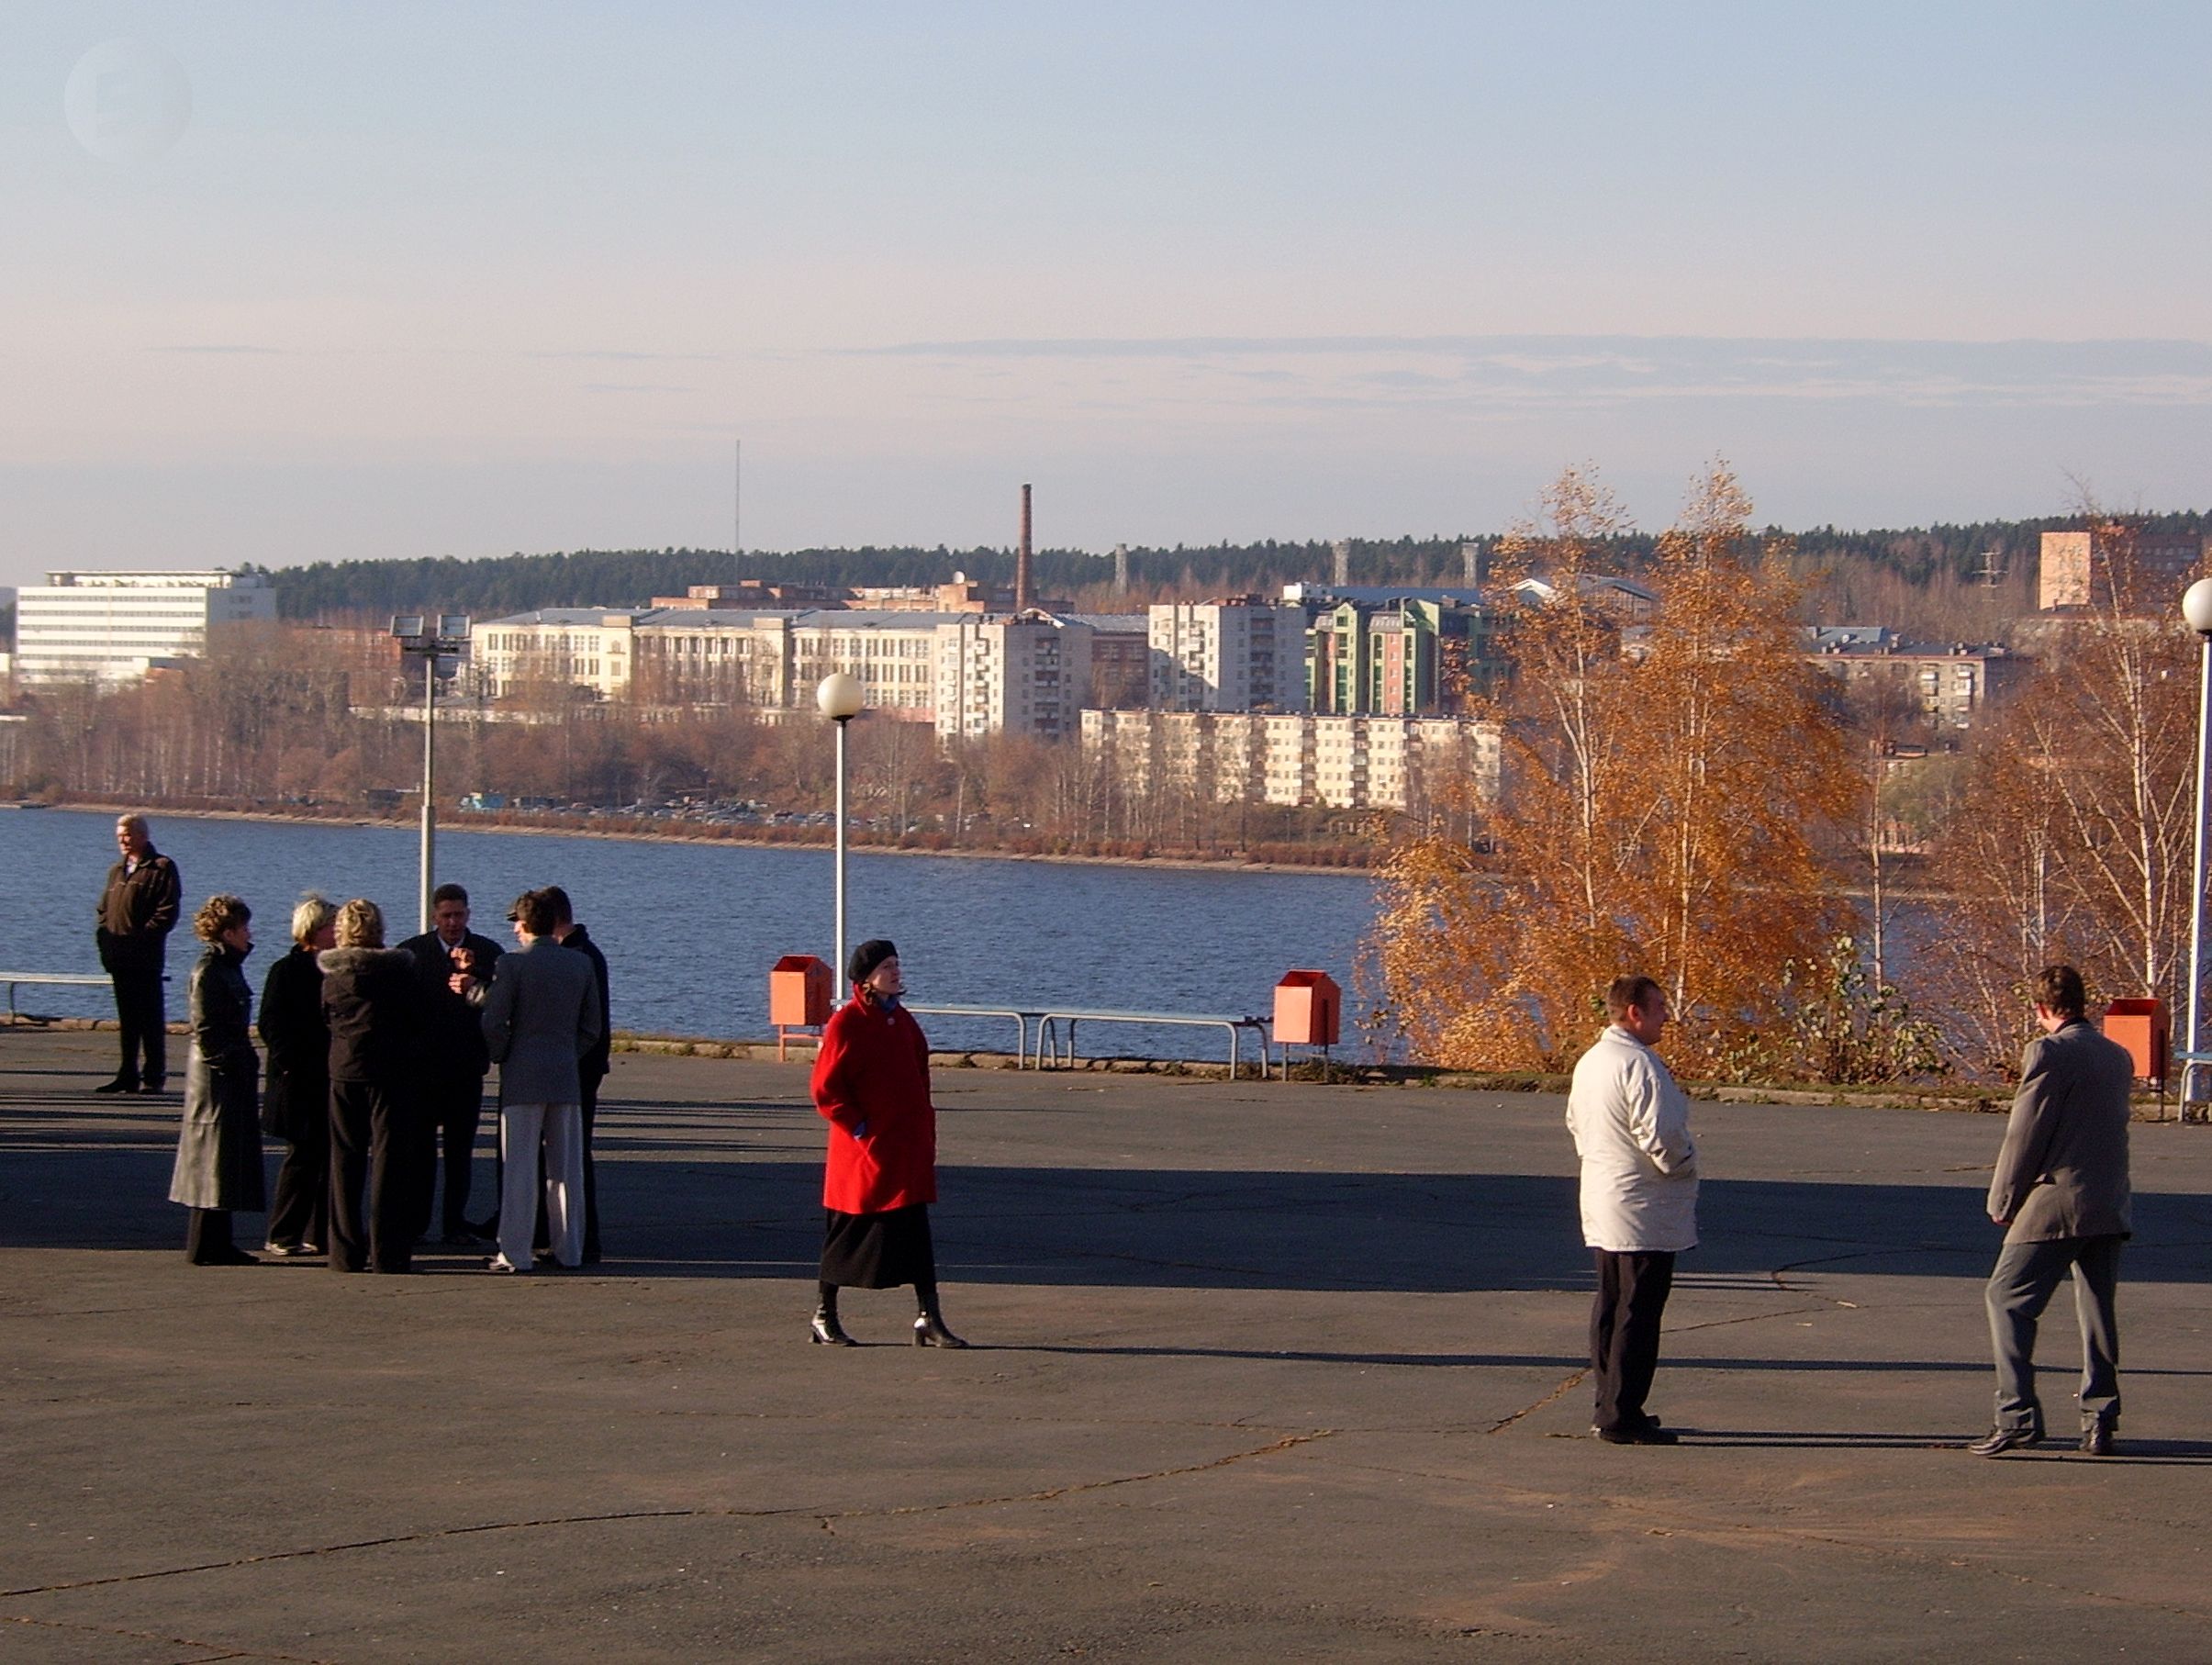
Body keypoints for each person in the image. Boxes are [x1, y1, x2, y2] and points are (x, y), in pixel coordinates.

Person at [1970, 963, 2135, 1458]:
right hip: (2110, 1202)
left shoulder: (2047, 1053)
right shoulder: (2117, 1055)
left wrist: (2003, 1201)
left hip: (2057, 1201)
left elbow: (2025, 1134)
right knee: (2096, 1310)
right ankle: (2100, 1419)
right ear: (2081, 1004)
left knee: (2006, 1297)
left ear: (2042, 1009)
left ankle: (2016, 1415)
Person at [808, 939, 966, 1348]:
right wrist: (859, 1126)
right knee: (847, 1234)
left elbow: (918, 1074)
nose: (896, 972)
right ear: (867, 979)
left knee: (916, 1233)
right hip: (864, 1155)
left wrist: (922, 1123)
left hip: (905, 1151)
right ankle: (824, 1315)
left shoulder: (904, 1021)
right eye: (887, 967)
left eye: (897, 964)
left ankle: (928, 1318)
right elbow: (826, 1089)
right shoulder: (847, 1023)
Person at [1565, 974, 1696, 1445]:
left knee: (1612, 1305)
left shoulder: (1592, 1061)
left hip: (1606, 1197)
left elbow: (1576, 1124)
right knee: (1637, 1312)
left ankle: (1610, 1404)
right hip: (1642, 1204)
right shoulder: (1638, 1065)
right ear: (1635, 1012)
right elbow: (1661, 1133)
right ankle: (1623, 1413)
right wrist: (1683, 1165)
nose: (1667, 1016)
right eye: (1660, 1007)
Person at [475, 888, 600, 1274]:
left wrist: (503, 1055)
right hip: (564, 1075)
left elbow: (494, 1020)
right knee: (565, 1171)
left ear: (526, 925)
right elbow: (591, 1028)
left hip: (523, 1076)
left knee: (520, 1168)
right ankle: (570, 1249)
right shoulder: (580, 965)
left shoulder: (511, 965)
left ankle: (515, 1252)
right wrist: (566, 1053)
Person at [319, 899, 426, 1274]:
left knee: (344, 1161)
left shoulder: (333, 978)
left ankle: (345, 1251)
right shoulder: (399, 973)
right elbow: (417, 1019)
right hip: (391, 1072)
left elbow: (326, 1021)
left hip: (346, 1069)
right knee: (390, 1162)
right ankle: (389, 1250)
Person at [397, 883, 502, 1246]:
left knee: (460, 1153)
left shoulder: (488, 954)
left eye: (459, 915)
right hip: (421, 1073)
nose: (453, 923)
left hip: (465, 1070)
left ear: (468, 914)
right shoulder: (411, 953)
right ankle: (415, 1222)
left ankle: (454, 1224)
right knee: (419, 1152)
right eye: (446, 916)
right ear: (434, 917)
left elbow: (501, 1007)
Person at [167, 894, 263, 1265]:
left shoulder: (227, 966)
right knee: (213, 1155)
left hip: (226, 1072)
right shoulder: (209, 970)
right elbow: (205, 1028)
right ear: (228, 932)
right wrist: (229, 1063)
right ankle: (207, 1242)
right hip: (215, 1078)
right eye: (243, 928)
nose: (248, 934)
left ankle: (217, 1239)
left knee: (222, 1158)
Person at [259, 893, 336, 1258]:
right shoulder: (286, 971)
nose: (338, 931)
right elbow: (271, 1024)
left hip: (326, 1076)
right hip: (298, 1079)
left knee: (326, 1157)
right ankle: (283, 1232)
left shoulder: (333, 968)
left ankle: (320, 1231)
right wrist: (290, 1063)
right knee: (302, 1157)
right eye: (332, 926)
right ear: (315, 930)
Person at [542, 885, 610, 1263]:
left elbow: (588, 1022)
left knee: (572, 1155)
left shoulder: (577, 957)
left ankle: (582, 1237)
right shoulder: (587, 954)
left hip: (576, 1068)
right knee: (573, 1153)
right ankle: (574, 1235)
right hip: (585, 1065)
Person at [94, 812, 181, 1095]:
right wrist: (106, 941)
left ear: (143, 836)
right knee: (127, 1019)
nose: (122, 840)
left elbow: (166, 913)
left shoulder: (161, 868)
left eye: (128, 834)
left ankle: (154, 1076)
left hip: (145, 957)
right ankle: (127, 1073)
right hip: (118, 957)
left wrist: (141, 938)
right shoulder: (116, 872)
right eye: (119, 835)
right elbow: (103, 911)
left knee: (150, 1018)